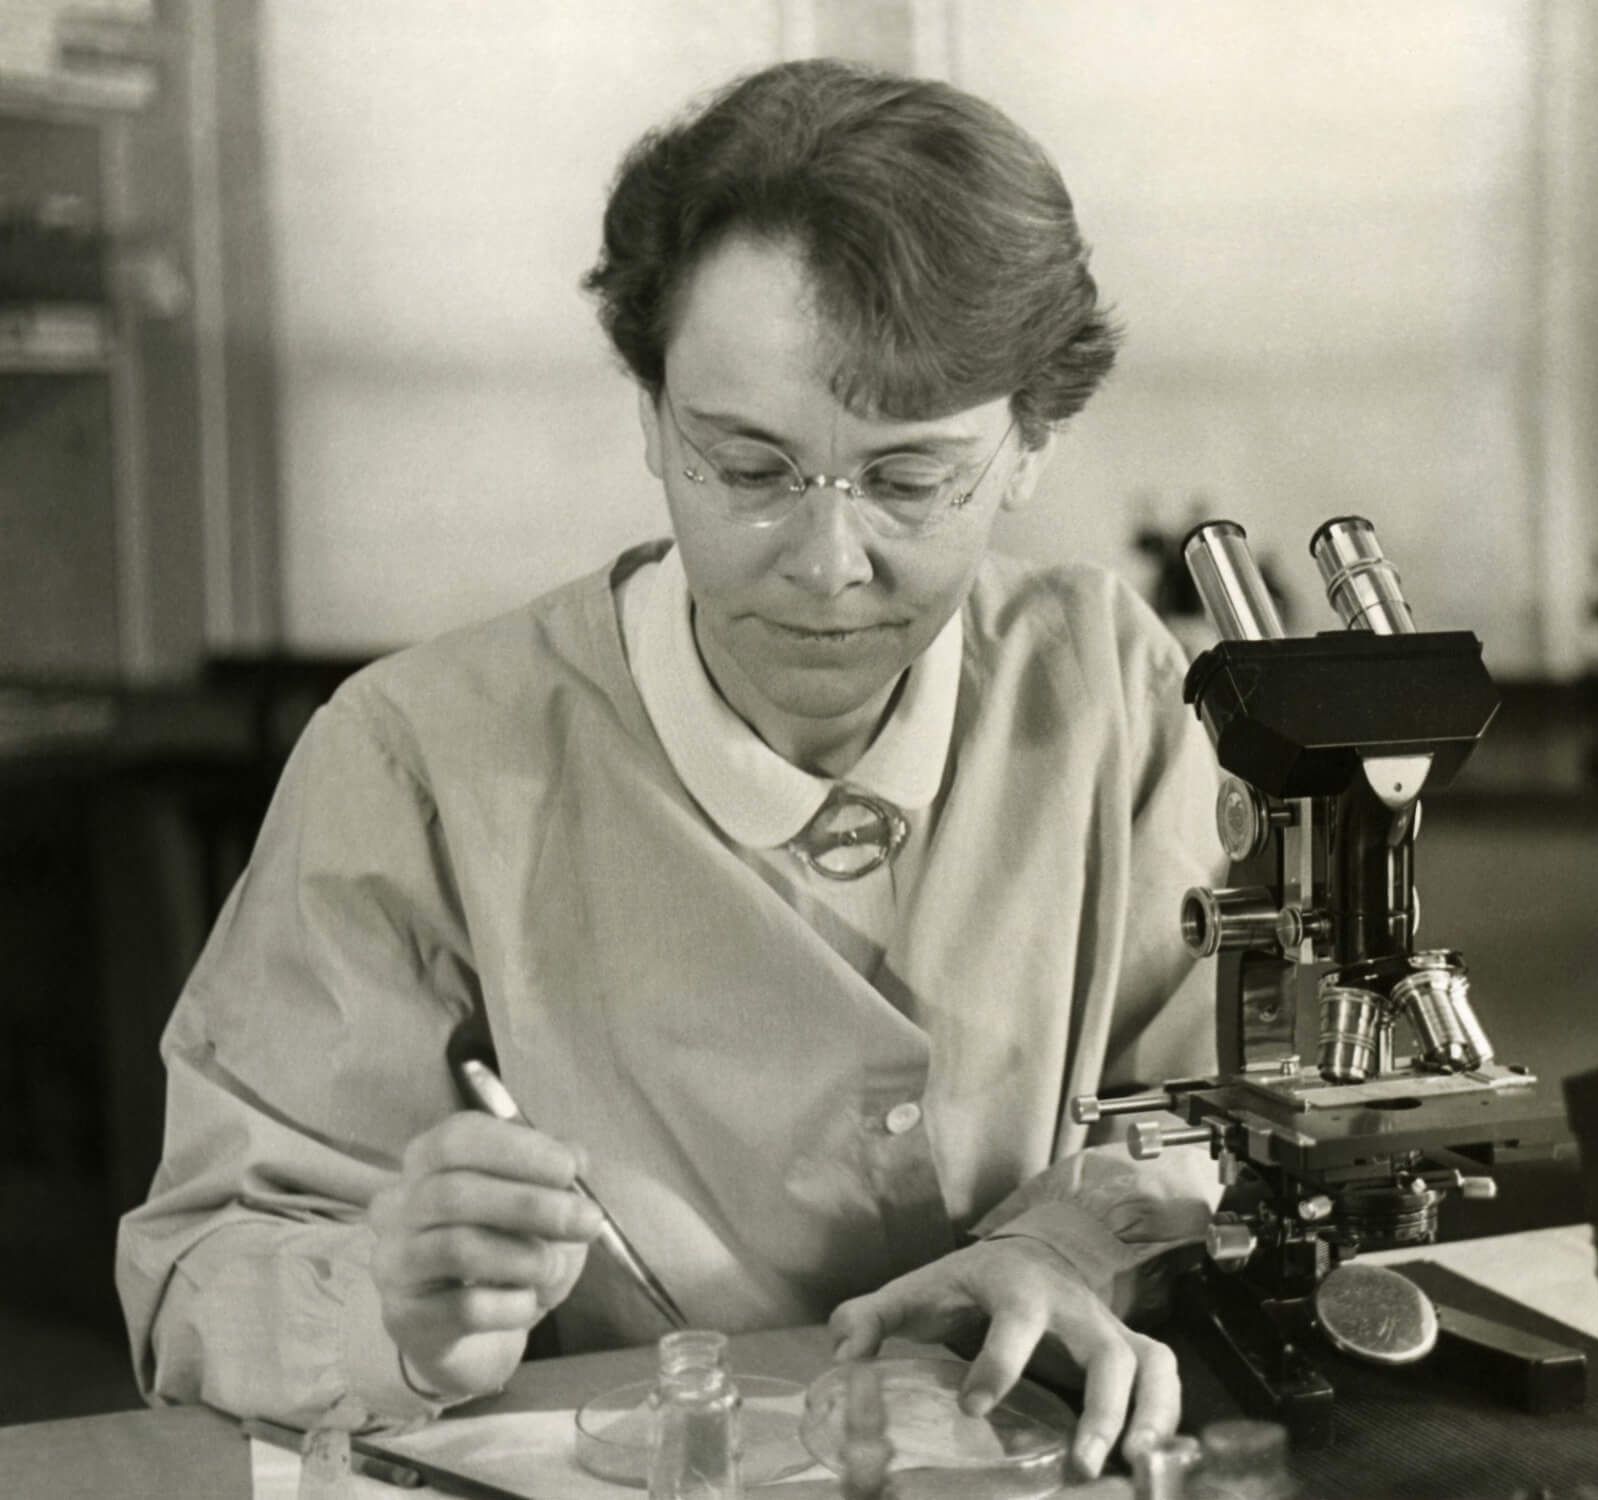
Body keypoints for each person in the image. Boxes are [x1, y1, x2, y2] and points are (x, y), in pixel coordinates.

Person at [116, 57, 1223, 1480]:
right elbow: (199, 1268)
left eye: (906, 479)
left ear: (1027, 447)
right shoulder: (412, 759)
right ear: (647, 414)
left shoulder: (1109, 689)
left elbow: (1219, 1117)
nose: (828, 568)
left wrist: (1062, 1244)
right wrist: (389, 1308)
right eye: (748, 469)